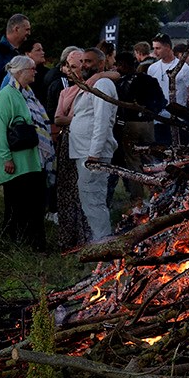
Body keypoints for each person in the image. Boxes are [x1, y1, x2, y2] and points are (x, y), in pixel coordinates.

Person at [0, 55, 52, 251]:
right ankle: (10, 244)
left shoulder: (27, 93)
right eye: (32, 69)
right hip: (17, 162)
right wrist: (5, 158)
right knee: (16, 207)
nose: (35, 72)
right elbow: (0, 130)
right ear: (19, 72)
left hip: (33, 159)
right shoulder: (7, 95)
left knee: (35, 205)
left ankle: (37, 244)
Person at [70, 48, 118, 242]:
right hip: (83, 150)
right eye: (82, 62)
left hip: (92, 153)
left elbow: (102, 120)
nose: (84, 65)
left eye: (89, 62)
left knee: (94, 199)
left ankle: (103, 242)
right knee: (89, 199)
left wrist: (94, 154)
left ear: (101, 64)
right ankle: (98, 240)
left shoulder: (103, 84)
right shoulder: (90, 84)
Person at [50, 48, 91, 248]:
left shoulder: (91, 87)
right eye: (72, 66)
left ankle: (86, 236)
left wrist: (72, 119)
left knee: (84, 188)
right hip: (67, 142)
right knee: (66, 188)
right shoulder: (65, 91)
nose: (77, 70)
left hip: (85, 142)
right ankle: (68, 237)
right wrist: (74, 119)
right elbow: (57, 118)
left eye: (80, 65)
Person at [0, 13, 32, 176]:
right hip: (4, 113)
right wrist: (4, 108)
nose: (29, 34)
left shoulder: (15, 52)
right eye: (27, 29)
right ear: (16, 29)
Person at [113, 50, 164, 202]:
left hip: (129, 124)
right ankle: (157, 192)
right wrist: (150, 112)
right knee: (150, 157)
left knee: (133, 161)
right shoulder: (149, 80)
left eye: (117, 65)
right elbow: (162, 101)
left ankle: (138, 198)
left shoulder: (121, 83)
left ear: (122, 65)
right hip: (148, 124)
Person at [147, 34, 189, 146]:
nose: (155, 52)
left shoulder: (184, 68)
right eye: (153, 48)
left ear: (168, 47)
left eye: (158, 48)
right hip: (159, 118)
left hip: (178, 118)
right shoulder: (152, 68)